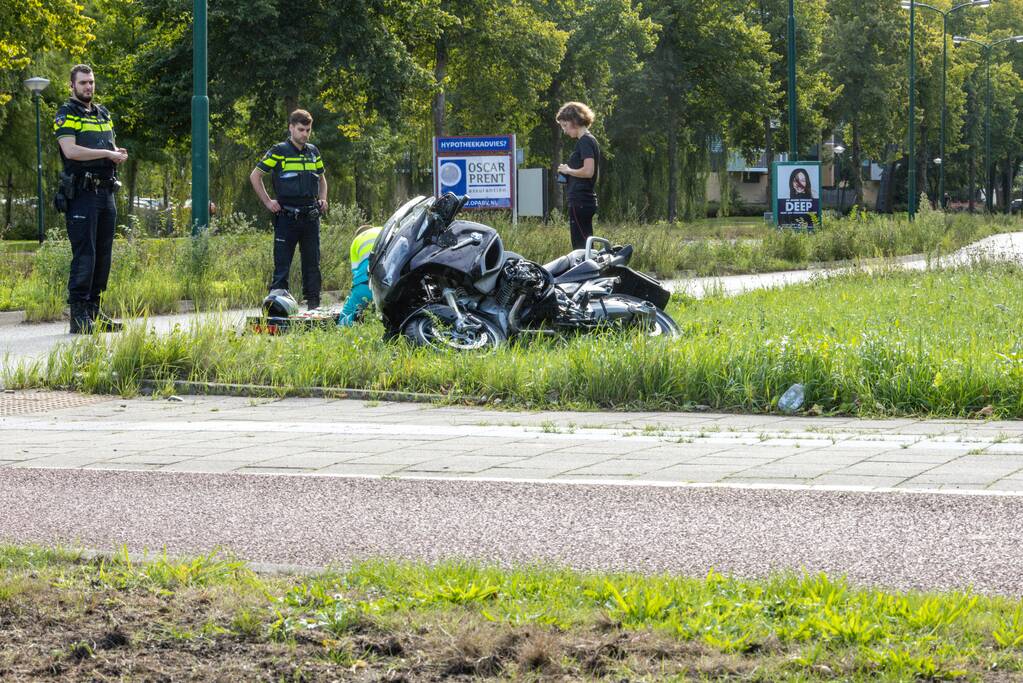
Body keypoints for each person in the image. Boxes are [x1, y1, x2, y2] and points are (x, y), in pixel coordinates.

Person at [53, 64, 127, 334]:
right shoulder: (66, 114)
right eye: (83, 83)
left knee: (103, 257)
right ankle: (78, 315)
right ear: (71, 85)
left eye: (91, 82)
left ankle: (94, 310)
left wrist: (116, 152)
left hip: (106, 192)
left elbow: (106, 146)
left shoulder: (102, 114)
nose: (88, 87)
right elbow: (70, 151)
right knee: (85, 256)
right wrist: (107, 155)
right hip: (82, 194)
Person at [250, 109, 328, 310]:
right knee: (282, 267)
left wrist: (323, 198)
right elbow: (255, 176)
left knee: (312, 265)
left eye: (308, 130)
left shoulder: (313, 152)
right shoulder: (279, 151)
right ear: (291, 128)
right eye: (301, 129)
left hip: (310, 217)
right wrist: (268, 202)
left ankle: (314, 307)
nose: (305, 134)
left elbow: (321, 179)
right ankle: (276, 310)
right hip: (286, 217)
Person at [556, 101, 600, 250]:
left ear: (574, 121)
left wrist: (569, 170)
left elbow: (589, 171)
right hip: (584, 200)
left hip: (580, 200)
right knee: (586, 245)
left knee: (581, 248)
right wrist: (567, 174)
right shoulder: (588, 141)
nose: (564, 130)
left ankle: (586, 272)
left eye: (564, 125)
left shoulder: (585, 141)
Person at [337, 224, 381, 327]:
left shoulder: (355, 242)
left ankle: (356, 317)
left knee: (342, 319)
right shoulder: (384, 230)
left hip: (364, 285)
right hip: (390, 282)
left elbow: (356, 273)